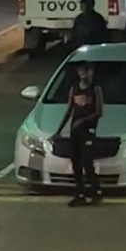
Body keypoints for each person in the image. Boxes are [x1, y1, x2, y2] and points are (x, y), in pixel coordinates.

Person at [52, 61, 104, 207]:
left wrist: (82, 121)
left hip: (88, 131)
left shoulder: (95, 89)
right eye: (81, 71)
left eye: (87, 71)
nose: (84, 74)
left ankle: (96, 191)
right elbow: (69, 110)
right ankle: (79, 193)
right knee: (76, 162)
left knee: (87, 161)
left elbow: (99, 112)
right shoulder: (74, 89)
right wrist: (59, 130)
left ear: (91, 73)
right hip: (75, 132)